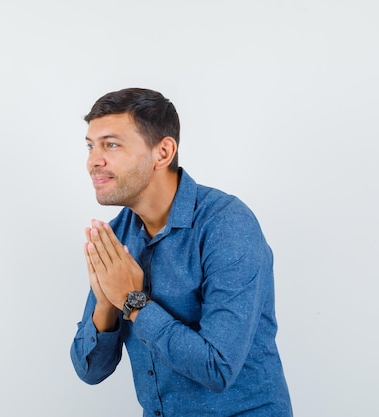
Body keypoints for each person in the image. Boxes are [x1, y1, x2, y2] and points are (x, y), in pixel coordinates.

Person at [70, 88, 292, 416]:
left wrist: (132, 301)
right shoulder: (117, 235)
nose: (93, 161)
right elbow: (90, 371)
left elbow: (217, 368)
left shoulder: (226, 224)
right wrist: (106, 303)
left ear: (163, 152)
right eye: (91, 146)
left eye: (111, 144)